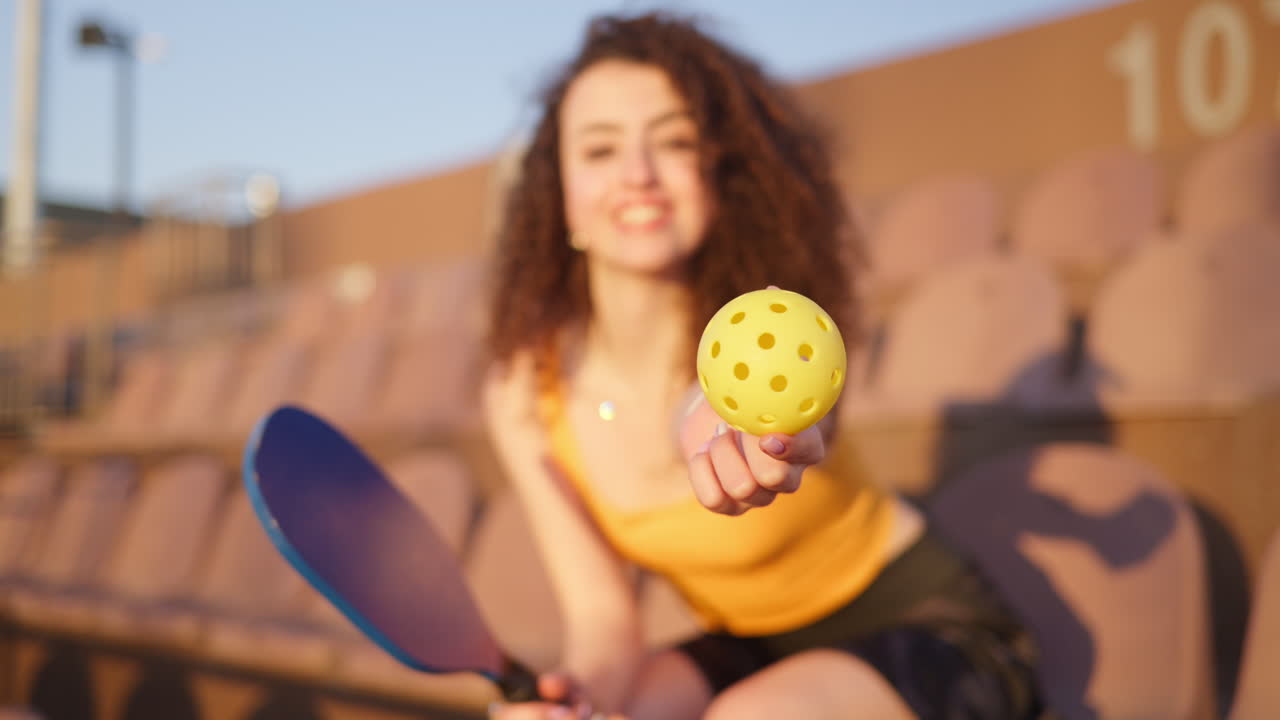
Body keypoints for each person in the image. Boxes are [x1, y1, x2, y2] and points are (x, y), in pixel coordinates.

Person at [482, 12, 1040, 720]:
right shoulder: (523, 393)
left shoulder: (769, 323)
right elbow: (602, 617)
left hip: (922, 627)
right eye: (599, 150)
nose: (638, 175)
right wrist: (576, 702)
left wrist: (772, 429)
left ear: (719, 174)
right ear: (556, 192)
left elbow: (801, 416)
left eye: (675, 142)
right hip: (751, 646)